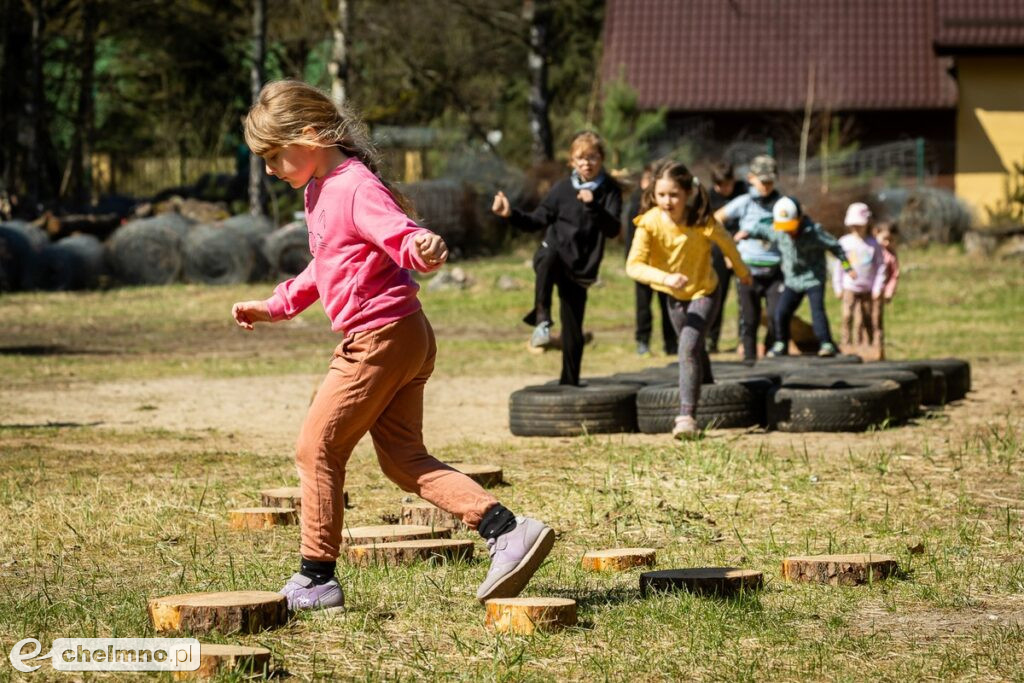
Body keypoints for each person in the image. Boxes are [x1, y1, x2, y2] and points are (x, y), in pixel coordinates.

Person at [232, 80, 554, 612]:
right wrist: (277, 304)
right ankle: (507, 529)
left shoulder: (353, 186)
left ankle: (316, 578)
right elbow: (328, 264)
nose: (268, 169)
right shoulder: (320, 188)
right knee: (403, 460)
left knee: (316, 448)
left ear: (309, 136)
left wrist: (421, 248)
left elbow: (401, 235)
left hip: (379, 340)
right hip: (404, 335)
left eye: (273, 155)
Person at [626, 160, 752, 439]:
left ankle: (686, 417)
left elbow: (728, 244)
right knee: (694, 347)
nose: (667, 201)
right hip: (674, 297)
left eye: (673, 195)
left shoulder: (701, 221)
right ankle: (706, 383)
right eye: (661, 195)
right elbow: (632, 265)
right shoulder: (649, 223)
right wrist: (664, 278)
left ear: (687, 194)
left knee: (687, 346)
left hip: (705, 291)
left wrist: (743, 272)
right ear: (653, 194)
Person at [492, 131, 622, 385]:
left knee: (573, 329)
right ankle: (542, 319)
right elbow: (536, 220)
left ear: (602, 159)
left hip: (582, 266)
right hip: (555, 257)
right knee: (548, 252)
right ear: (572, 162)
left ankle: (570, 382)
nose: (586, 163)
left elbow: (614, 229)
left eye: (592, 157)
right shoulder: (562, 189)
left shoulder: (609, 191)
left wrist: (593, 205)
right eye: (580, 158)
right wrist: (510, 214)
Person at [735, 196, 855, 357]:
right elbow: (763, 230)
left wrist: (847, 267)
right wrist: (747, 233)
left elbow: (836, 247)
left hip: (814, 278)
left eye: (791, 226)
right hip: (792, 280)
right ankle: (781, 343)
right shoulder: (779, 231)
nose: (788, 231)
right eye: (784, 227)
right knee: (781, 312)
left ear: (799, 218)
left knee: (817, 311)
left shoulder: (814, 232)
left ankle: (826, 343)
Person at [713, 155, 784, 362]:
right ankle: (749, 361)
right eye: (763, 182)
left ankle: (772, 355)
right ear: (751, 178)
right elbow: (715, 219)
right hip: (748, 271)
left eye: (770, 182)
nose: (767, 187)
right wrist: (729, 249)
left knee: (775, 316)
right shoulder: (745, 202)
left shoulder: (781, 204)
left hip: (775, 270)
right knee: (749, 320)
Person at [623, 163, 677, 356]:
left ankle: (671, 344)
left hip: (665, 266)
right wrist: (634, 263)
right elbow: (630, 238)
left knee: (668, 307)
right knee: (643, 308)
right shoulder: (636, 204)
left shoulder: (667, 205)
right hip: (643, 266)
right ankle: (643, 342)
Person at [832, 202, 887, 358]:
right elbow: (840, 264)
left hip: (868, 289)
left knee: (865, 318)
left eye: (860, 225)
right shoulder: (844, 242)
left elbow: (880, 267)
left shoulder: (873, 244)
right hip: (849, 287)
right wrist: (838, 286)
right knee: (847, 316)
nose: (857, 228)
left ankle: (868, 346)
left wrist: (878, 287)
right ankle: (846, 344)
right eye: (853, 225)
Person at [705, 161, 747, 353]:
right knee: (716, 297)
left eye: (727, 185)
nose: (724, 189)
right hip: (719, 252)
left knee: (744, 298)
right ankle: (711, 340)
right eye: (720, 185)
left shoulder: (744, 192)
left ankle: (744, 340)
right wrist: (725, 253)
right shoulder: (708, 197)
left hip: (743, 250)